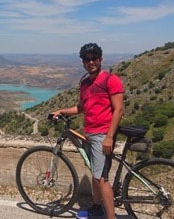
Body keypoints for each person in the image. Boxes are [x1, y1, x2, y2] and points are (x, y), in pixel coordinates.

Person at [50, 43, 124, 218]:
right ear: (83, 62)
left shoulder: (110, 80)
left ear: (100, 59)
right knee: (95, 174)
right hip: (90, 134)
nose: (91, 62)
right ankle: (97, 207)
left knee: (101, 179)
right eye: (87, 59)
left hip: (102, 135)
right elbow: (81, 108)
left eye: (94, 58)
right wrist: (61, 111)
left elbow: (119, 110)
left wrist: (109, 137)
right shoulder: (85, 83)